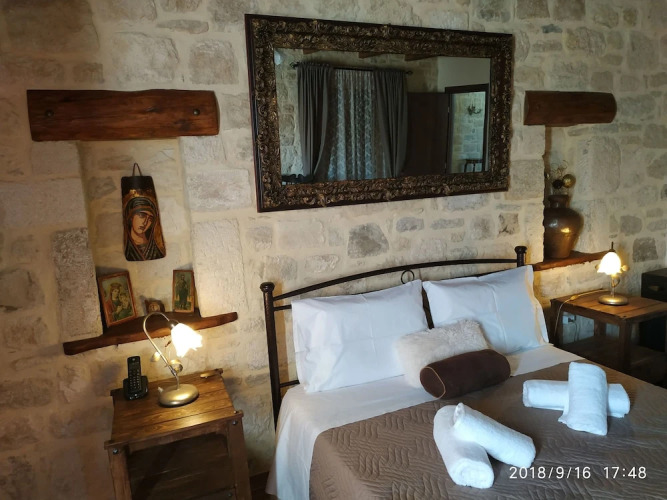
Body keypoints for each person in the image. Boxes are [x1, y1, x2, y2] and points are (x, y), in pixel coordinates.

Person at [123, 195, 166, 261]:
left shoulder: (155, 251)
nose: (145, 222)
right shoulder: (127, 250)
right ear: (131, 217)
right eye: (142, 215)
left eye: (150, 219)